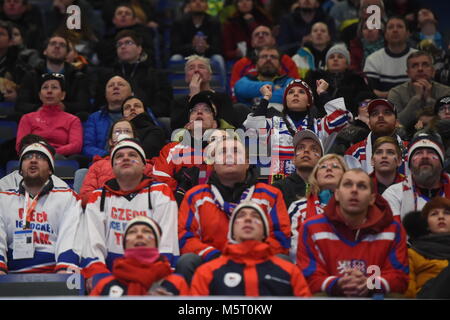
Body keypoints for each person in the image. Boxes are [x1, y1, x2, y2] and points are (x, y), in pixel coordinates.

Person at [177, 138, 291, 284]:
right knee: (187, 261)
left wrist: (250, 253)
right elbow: (185, 237)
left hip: (258, 263)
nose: (230, 156)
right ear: (214, 164)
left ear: (247, 163)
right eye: (223, 152)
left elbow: (281, 237)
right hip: (210, 265)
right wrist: (213, 255)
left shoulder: (271, 194)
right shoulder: (195, 196)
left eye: (236, 151)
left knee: (282, 261)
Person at [81, 138, 179, 285]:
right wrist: (98, 273)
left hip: (153, 271)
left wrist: (158, 275)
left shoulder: (161, 192)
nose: (126, 158)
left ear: (143, 165)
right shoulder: (97, 197)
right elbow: (92, 242)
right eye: (119, 156)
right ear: (112, 167)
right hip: (109, 271)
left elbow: (168, 241)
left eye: (133, 155)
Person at [297, 169, 409, 296]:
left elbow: (400, 279)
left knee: (395, 296)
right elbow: (308, 278)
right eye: (348, 184)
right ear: (337, 194)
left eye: (361, 186)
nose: (354, 190)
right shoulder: (312, 228)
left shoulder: (393, 230)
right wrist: (338, 283)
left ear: (372, 198)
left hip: (374, 296)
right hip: (332, 296)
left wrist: (370, 283)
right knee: (317, 296)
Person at [190, 201, 311, 297]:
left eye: (256, 217)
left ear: (265, 233)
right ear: (232, 232)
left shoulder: (290, 272)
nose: (248, 219)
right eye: (241, 216)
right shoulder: (207, 272)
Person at [244, 78, 351, 184]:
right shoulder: (273, 123)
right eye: (291, 92)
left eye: (301, 92)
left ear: (309, 102)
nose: (295, 94)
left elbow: (341, 118)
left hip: (311, 186)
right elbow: (252, 129)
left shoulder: (319, 125)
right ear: (286, 101)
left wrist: (322, 92)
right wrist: (266, 98)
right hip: (277, 186)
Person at [0, 142, 82, 273]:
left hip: (55, 272)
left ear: (51, 170)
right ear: (20, 170)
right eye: (27, 157)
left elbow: (70, 237)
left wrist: (65, 269)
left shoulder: (68, 197)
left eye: (40, 157)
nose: (33, 160)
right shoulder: (3, 199)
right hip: (9, 272)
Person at [90, 216, 189, 296]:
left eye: (146, 231)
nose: (139, 235)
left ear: (157, 242)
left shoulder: (177, 283)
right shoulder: (104, 285)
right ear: (124, 243)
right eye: (132, 232)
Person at [153, 91, 221, 203]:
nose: (199, 112)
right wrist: (182, 192)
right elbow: (160, 179)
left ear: (214, 124)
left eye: (206, 110)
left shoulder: (225, 149)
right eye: (194, 110)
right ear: (188, 125)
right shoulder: (171, 149)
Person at [94, 29, 173, 118]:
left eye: (128, 43)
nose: (123, 47)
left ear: (139, 49)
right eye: (119, 44)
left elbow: (163, 106)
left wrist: (140, 113)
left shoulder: (156, 75)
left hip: (146, 118)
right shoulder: (108, 76)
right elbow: (98, 104)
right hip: (112, 119)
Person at [79, 119, 153, 206]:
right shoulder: (97, 165)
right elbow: (85, 197)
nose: (123, 134)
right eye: (117, 132)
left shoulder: (147, 166)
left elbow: (154, 196)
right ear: (110, 141)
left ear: (134, 137)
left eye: (127, 131)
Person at [289, 153, 347, 259]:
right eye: (323, 167)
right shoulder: (299, 207)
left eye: (335, 166)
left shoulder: (354, 208)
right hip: (308, 268)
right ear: (316, 176)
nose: (329, 169)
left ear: (345, 175)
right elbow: (295, 248)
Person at [16, 34, 90, 116]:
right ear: (45, 51)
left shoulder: (77, 76)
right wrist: (39, 109)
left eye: (62, 45)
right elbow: (20, 104)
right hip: (37, 120)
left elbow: (84, 105)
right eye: (53, 44)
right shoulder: (32, 75)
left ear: (67, 53)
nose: (57, 46)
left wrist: (65, 106)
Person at [382, 132, 450, 220]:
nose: (425, 156)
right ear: (409, 165)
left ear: (441, 162)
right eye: (418, 153)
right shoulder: (394, 194)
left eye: (431, 152)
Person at [15, 72, 83, 160]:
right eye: (45, 87)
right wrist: (40, 152)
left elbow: (76, 146)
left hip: (60, 158)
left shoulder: (73, 120)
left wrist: (51, 152)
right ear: (40, 95)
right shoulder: (27, 118)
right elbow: (20, 145)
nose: (49, 91)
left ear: (63, 95)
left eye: (54, 87)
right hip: (33, 157)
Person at [170, 55, 242, 130]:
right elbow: (177, 129)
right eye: (191, 68)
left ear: (210, 75)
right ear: (186, 78)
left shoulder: (223, 98)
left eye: (201, 67)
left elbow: (228, 125)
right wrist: (194, 96)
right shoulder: (179, 102)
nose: (196, 70)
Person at [387, 51, 450, 135]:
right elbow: (395, 124)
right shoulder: (396, 93)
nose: (420, 69)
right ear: (408, 73)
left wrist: (429, 99)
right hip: (405, 139)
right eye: (414, 66)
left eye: (425, 65)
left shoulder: (446, 91)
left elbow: (447, 123)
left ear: (433, 71)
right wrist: (416, 98)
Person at [230, 25, 300, 98]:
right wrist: (273, 88)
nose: (261, 36)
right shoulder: (241, 64)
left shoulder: (286, 60)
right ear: (252, 42)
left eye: (265, 33)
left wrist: (257, 96)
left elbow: (296, 92)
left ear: (273, 40)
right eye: (257, 34)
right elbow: (235, 94)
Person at [402, 197, 450, 298]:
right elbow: (407, 293)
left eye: (447, 213)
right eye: (434, 214)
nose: (441, 217)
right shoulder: (412, 254)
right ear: (426, 224)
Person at [305, 43, 371, 116]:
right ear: (326, 63)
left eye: (340, 57)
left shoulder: (357, 80)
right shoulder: (315, 79)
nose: (335, 59)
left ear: (347, 63)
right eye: (331, 57)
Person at [344, 99, 408, 175]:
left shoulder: (411, 151)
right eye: (375, 113)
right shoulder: (354, 153)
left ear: (397, 122)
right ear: (369, 122)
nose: (380, 116)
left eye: (387, 113)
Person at [364, 16, 417, 98]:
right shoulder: (373, 59)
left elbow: (424, 88)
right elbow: (372, 93)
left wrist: (388, 94)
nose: (395, 30)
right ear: (385, 34)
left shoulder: (419, 57)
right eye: (390, 27)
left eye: (399, 26)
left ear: (408, 33)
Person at [83, 75, 132, 159]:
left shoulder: (139, 113)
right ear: (105, 94)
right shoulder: (94, 118)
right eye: (111, 85)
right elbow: (87, 147)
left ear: (131, 93)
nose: (115, 87)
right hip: (102, 161)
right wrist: (108, 155)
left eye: (120, 84)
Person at [272, 129, 323, 209]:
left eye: (314, 149)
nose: (306, 150)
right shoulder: (278, 188)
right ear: (293, 159)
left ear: (322, 161)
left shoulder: (327, 189)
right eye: (301, 148)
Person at [0, 134, 69, 192]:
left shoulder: (62, 188)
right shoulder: (4, 184)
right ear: (21, 159)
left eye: (40, 156)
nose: (33, 160)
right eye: (28, 156)